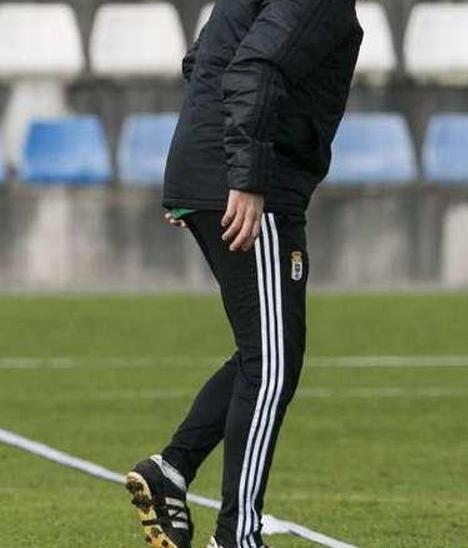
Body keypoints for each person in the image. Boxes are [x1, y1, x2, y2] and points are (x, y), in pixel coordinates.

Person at [123, 2, 361, 547]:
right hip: (254, 185)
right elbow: (253, 68)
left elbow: (202, 59)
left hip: (216, 173)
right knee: (272, 363)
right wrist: (244, 177)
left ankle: (172, 470)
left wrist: (200, 168)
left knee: (268, 351)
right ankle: (238, 535)